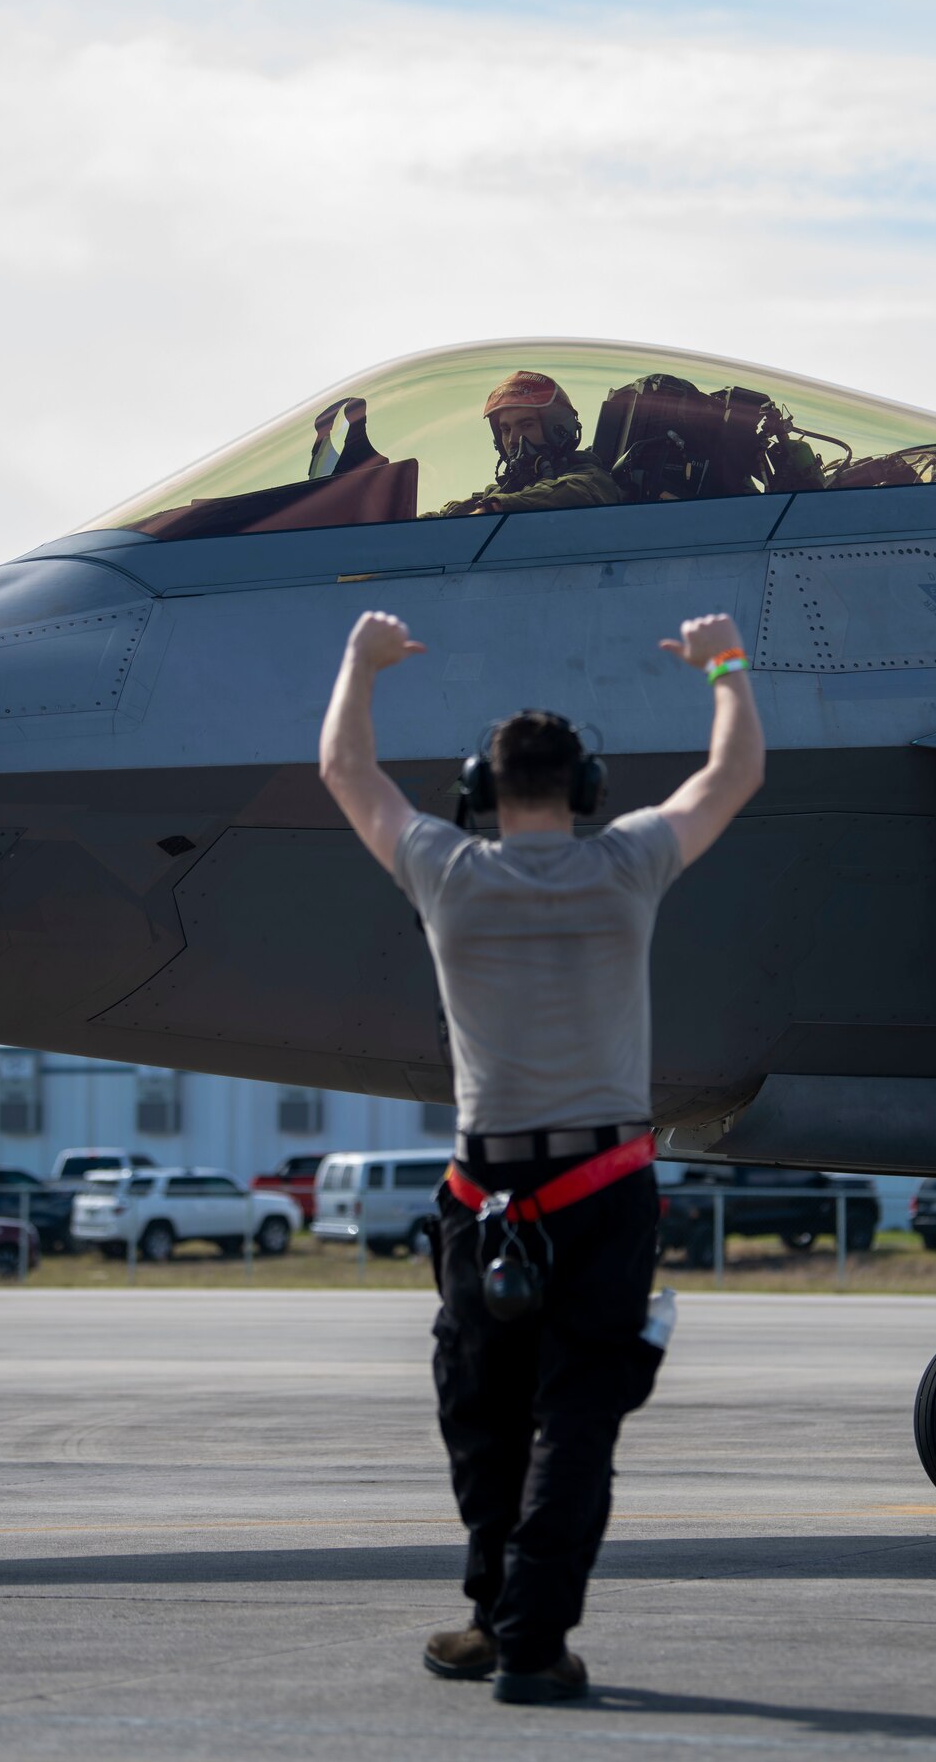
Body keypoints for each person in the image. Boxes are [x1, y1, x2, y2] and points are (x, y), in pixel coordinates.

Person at [318, 608, 764, 1704]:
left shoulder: (448, 871)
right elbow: (733, 770)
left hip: (484, 1196)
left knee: (481, 1412)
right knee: (576, 1417)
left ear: (481, 787)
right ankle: (523, 1634)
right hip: (603, 1189)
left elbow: (344, 765)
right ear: (587, 789)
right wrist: (724, 665)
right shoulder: (629, 865)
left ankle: (497, 1614)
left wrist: (361, 662)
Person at [430, 370, 624, 517]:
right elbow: (456, 511)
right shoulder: (509, 489)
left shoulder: (591, 480)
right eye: (505, 430)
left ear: (557, 428)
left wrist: (494, 508)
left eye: (526, 425)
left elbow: (572, 493)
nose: (513, 439)